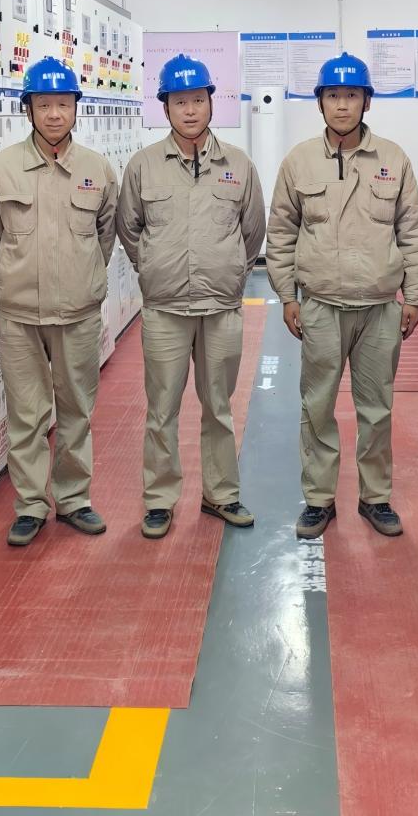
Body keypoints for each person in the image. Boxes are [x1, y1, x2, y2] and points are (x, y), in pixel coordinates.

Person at [265, 52, 418, 540]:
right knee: (317, 407)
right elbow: (281, 233)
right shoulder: (298, 161)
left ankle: (375, 497)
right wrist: (288, 296)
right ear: (320, 103)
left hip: (380, 309)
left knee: (376, 408)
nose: (342, 105)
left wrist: (414, 296)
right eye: (333, 95)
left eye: (352, 95)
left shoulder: (394, 159)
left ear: (366, 102)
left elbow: (413, 232)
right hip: (320, 306)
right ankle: (319, 500)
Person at [117, 54, 266, 539]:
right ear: (165, 107)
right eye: (179, 102)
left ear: (211, 104)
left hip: (221, 308)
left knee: (219, 407)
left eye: (197, 100)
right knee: (161, 409)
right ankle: (159, 500)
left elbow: (253, 231)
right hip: (165, 310)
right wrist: (154, 266)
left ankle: (221, 494)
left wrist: (230, 271)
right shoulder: (143, 167)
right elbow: (129, 229)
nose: (189, 110)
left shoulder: (238, 165)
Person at [0, 57, 117, 547]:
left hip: (78, 312)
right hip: (20, 316)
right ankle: (31, 505)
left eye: (63, 104)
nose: (54, 114)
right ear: (28, 109)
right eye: (43, 104)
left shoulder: (97, 169)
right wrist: (14, 283)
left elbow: (105, 235)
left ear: (76, 108)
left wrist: (81, 278)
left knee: (77, 409)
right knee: (26, 414)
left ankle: (74, 500)